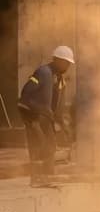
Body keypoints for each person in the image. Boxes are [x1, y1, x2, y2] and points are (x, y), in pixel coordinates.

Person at [17, 45, 74, 183]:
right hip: (35, 118)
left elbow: (58, 107)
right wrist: (32, 121)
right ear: (57, 60)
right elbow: (25, 97)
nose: (68, 66)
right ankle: (36, 178)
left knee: (50, 147)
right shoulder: (43, 73)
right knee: (38, 146)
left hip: (46, 119)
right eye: (66, 62)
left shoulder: (60, 80)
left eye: (69, 63)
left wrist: (63, 124)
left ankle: (47, 177)